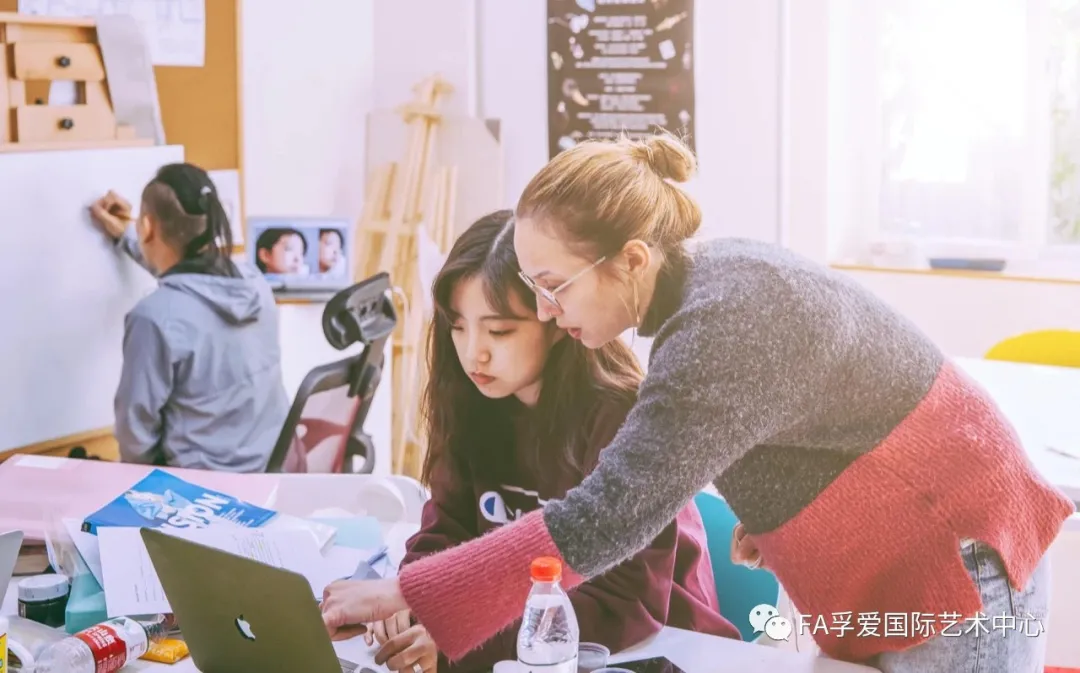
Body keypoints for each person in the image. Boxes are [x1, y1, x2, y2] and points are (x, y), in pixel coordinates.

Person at [321, 135, 1075, 672]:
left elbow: (603, 519)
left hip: (954, 558)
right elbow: (810, 412)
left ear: (631, 261)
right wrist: (779, 511)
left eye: (553, 287)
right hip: (899, 556)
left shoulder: (722, 319)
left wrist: (408, 592)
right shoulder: (710, 293)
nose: (547, 312)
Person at [356, 211, 738, 673]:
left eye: (499, 330)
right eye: (457, 326)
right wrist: (413, 600)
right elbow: (445, 528)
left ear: (556, 317)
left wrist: (462, 640)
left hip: (652, 655)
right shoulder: (472, 399)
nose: (474, 352)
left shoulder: (623, 419)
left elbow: (625, 604)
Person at [89, 162, 290, 472]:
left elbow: (135, 435)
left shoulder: (153, 319)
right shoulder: (255, 284)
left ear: (148, 226)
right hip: (271, 470)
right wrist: (129, 236)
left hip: (200, 487)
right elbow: (189, 280)